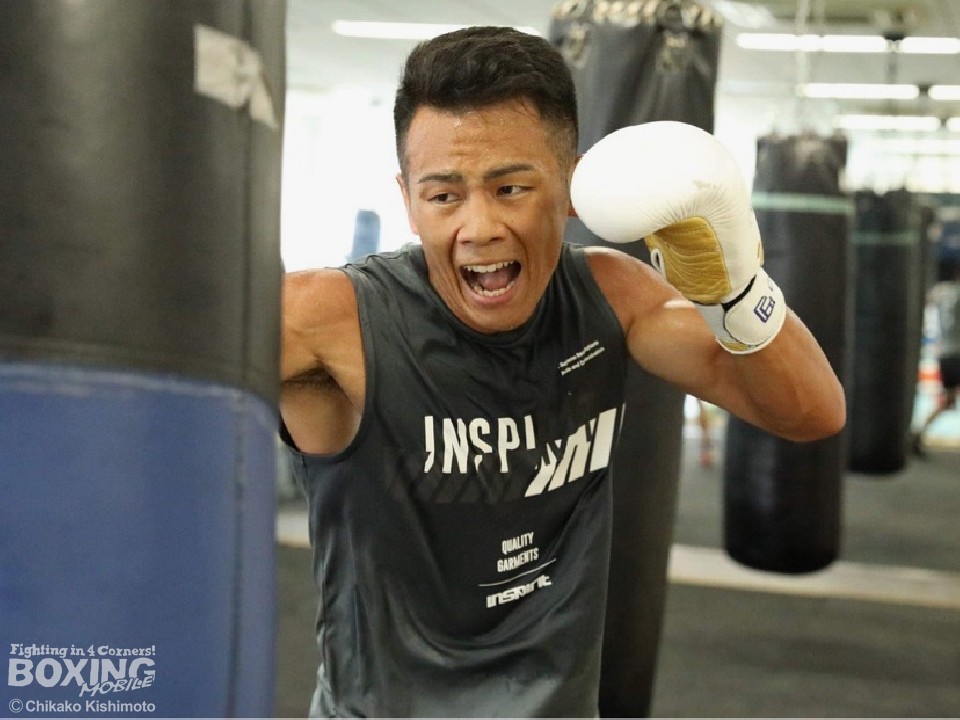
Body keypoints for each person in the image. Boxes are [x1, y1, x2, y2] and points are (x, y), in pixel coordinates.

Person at [280, 26, 845, 717]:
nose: (479, 227)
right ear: (407, 199)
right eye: (444, 196)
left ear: (571, 187)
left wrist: (734, 285)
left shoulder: (611, 296)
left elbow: (812, 413)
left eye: (511, 188)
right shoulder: (332, 320)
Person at [913, 271, 960, 455]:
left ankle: (918, 432)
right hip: (957, 353)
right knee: (948, 400)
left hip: (945, 354)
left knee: (948, 401)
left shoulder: (942, 291)